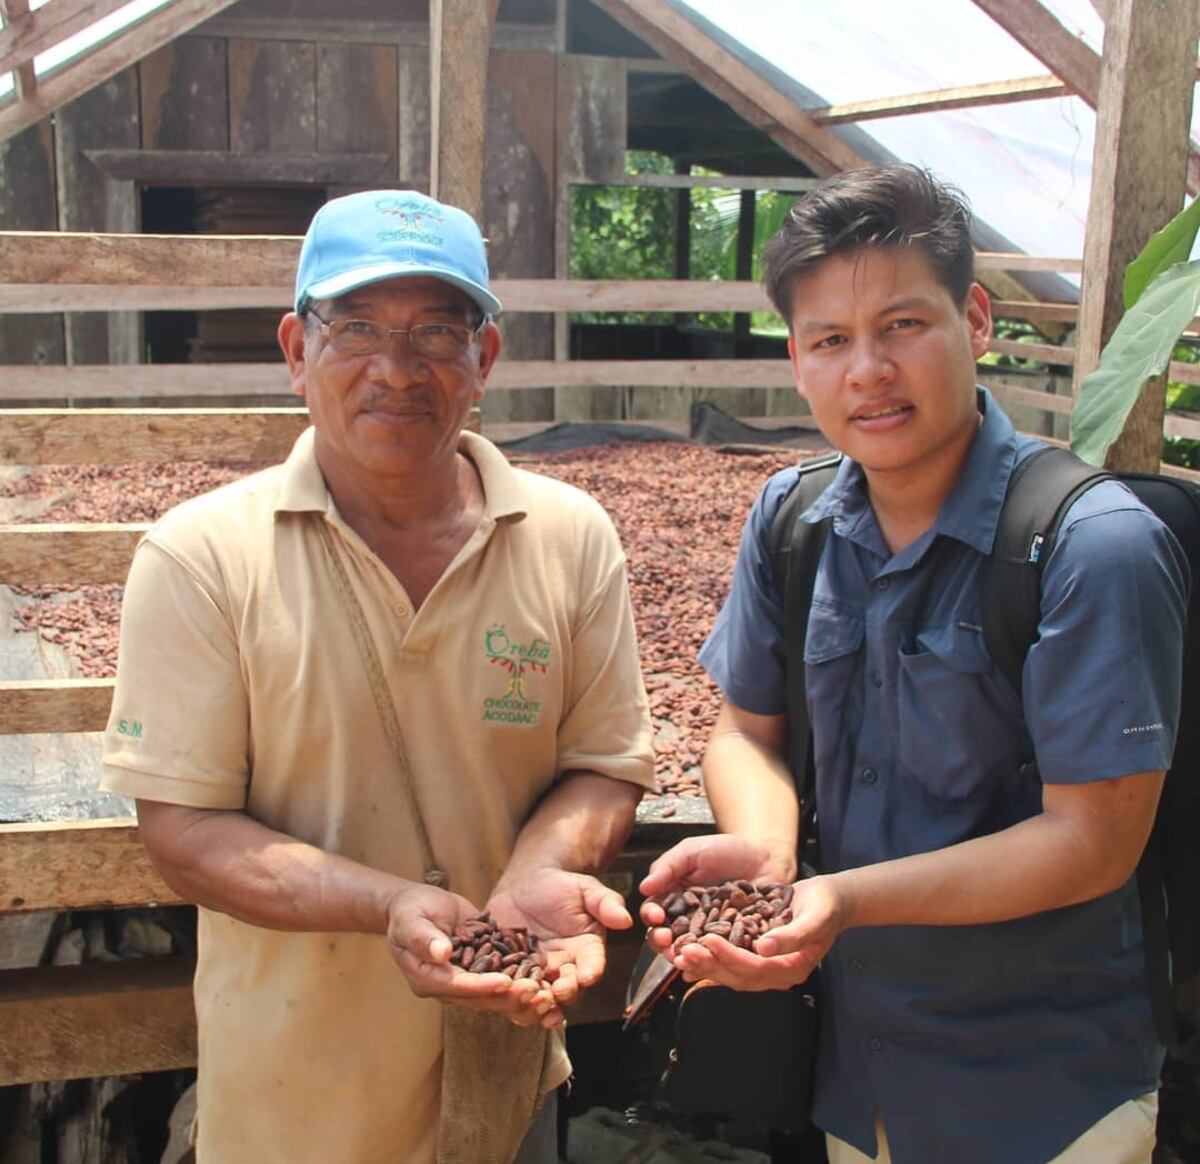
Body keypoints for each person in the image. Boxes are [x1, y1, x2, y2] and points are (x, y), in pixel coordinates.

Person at [640, 164, 1189, 1164]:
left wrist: (844, 900)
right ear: (796, 359)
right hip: (858, 1079)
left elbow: (1094, 841)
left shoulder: (1088, 545)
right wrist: (766, 855)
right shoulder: (794, 518)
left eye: (903, 326)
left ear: (974, 320)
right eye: (830, 341)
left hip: (1048, 1094)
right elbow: (745, 732)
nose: (868, 371)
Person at [100, 189, 654, 1164]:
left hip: (503, 1064)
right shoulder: (202, 556)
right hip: (295, 1091)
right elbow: (183, 832)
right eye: (356, 328)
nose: (396, 369)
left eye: (436, 333)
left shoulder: (570, 538)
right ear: (296, 350)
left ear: (484, 359)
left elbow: (604, 763)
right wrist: (385, 903)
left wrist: (538, 870)